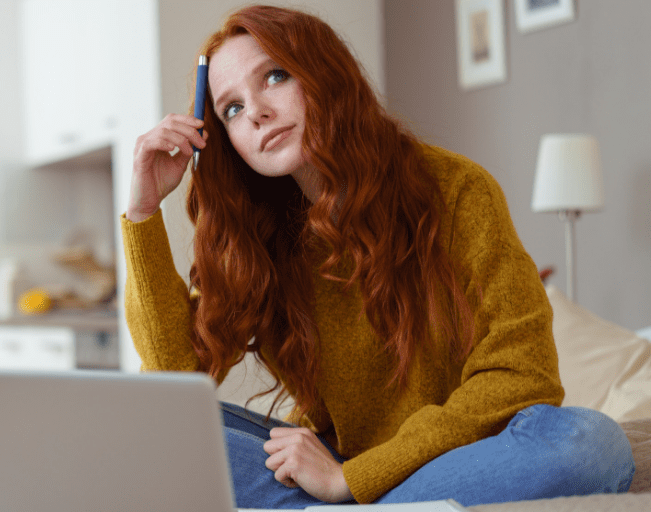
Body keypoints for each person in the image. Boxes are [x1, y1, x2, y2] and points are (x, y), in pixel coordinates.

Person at [121, 4, 634, 508]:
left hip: (453, 457)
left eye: (274, 76)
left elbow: (523, 376)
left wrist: (352, 480)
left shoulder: (456, 191)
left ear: (323, 74)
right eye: (231, 108)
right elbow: (172, 384)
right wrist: (143, 212)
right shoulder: (258, 234)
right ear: (227, 139)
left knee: (590, 445)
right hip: (327, 460)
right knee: (147, 427)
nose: (255, 111)